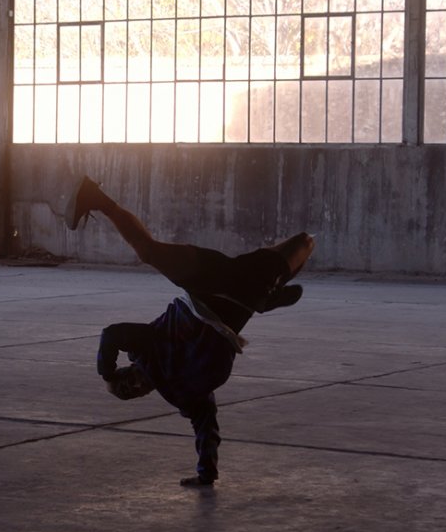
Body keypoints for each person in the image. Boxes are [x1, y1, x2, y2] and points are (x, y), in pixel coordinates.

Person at [63, 176, 315, 488]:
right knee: (305, 242)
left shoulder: (147, 350)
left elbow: (111, 334)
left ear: (129, 371)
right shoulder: (182, 393)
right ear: (142, 393)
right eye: (131, 391)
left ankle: (96, 198)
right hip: (236, 300)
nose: (134, 385)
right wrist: (206, 474)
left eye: (126, 383)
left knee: (148, 251)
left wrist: (106, 373)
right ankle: (269, 292)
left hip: (203, 290)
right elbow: (206, 426)